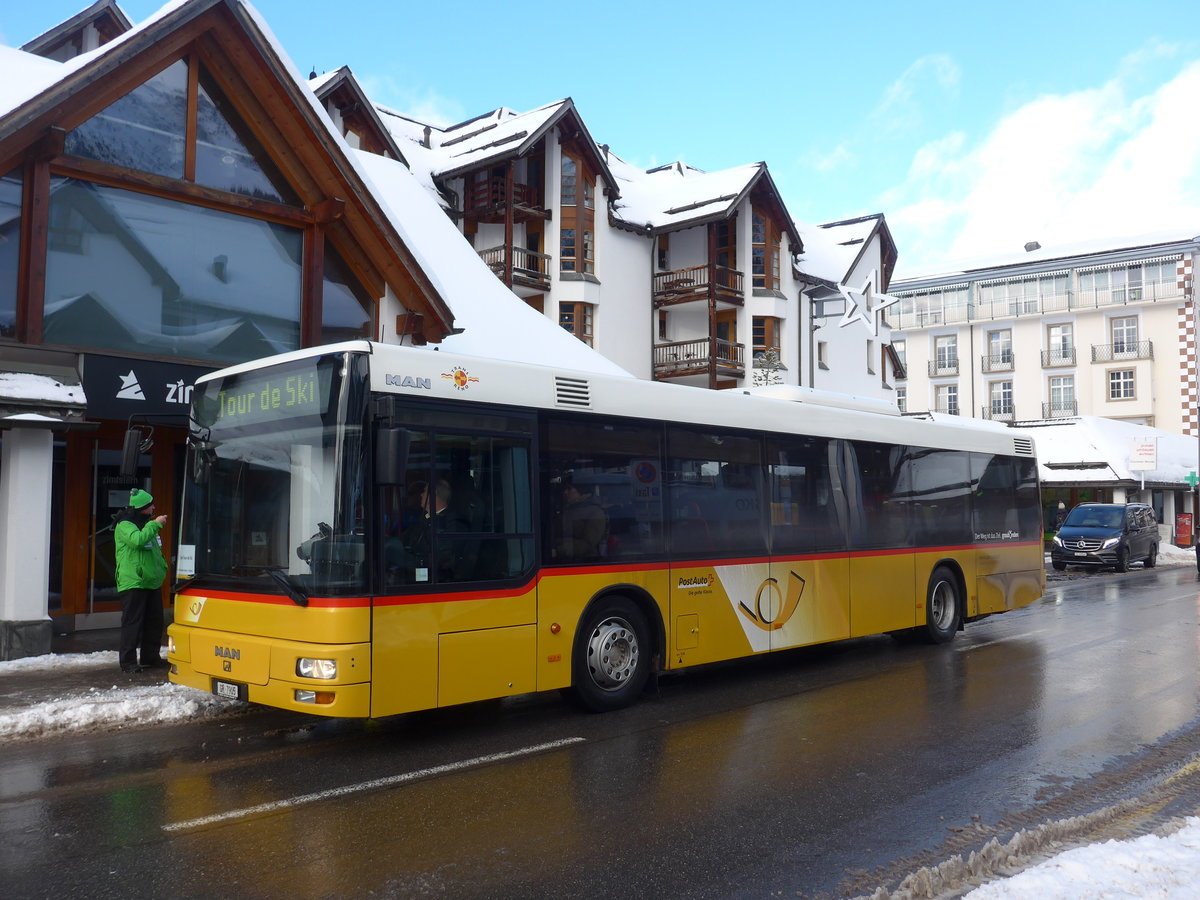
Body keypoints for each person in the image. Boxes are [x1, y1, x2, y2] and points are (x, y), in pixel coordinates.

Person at [114, 488, 168, 673]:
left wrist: (162, 569)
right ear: (142, 508)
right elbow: (137, 541)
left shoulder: (147, 524)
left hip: (151, 581)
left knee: (155, 621)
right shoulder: (125, 525)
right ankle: (128, 662)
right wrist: (156, 525)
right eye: (150, 505)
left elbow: (154, 551)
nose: (154, 508)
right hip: (134, 581)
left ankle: (150, 657)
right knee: (133, 622)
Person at [559, 479, 608, 560]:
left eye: (569, 489)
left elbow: (588, 544)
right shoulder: (568, 510)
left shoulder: (595, 513)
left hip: (586, 562)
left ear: (581, 491)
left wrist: (558, 549)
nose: (565, 492)